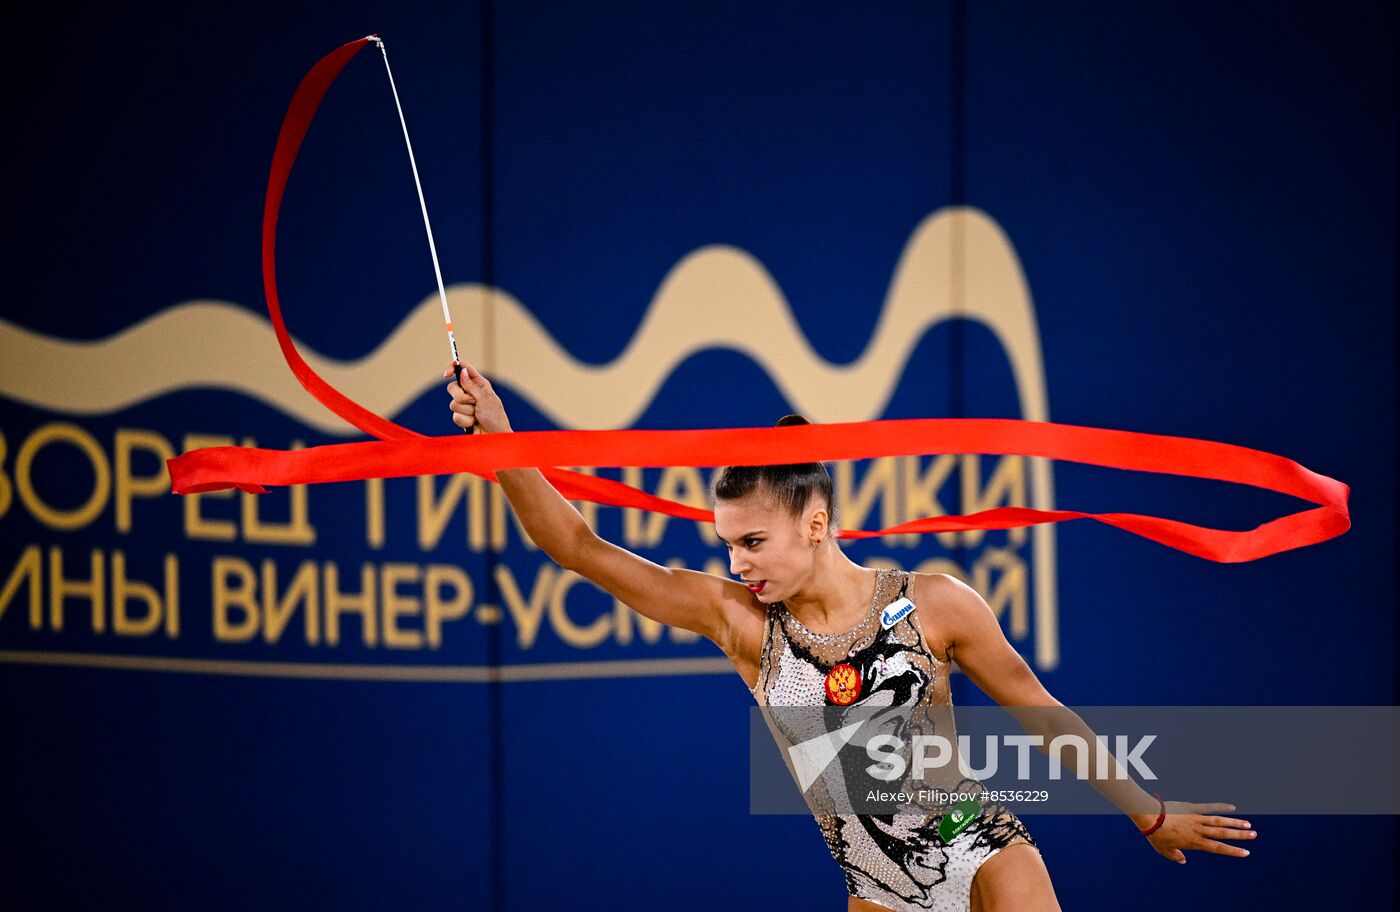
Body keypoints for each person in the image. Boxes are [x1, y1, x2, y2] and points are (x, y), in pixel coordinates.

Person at [444, 361, 1257, 912]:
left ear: (817, 523)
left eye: (753, 542)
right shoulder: (741, 625)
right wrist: (500, 438)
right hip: (877, 892)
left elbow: (1040, 714)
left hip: (982, 856)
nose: (737, 561)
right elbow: (578, 548)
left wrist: (1148, 815)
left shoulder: (935, 604)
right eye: (726, 543)